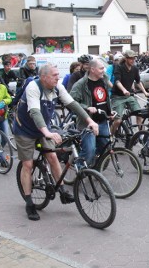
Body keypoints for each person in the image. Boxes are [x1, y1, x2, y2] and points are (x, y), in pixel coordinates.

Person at [13, 63, 99, 221]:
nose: (58, 77)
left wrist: (89, 121)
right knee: (28, 164)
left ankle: (62, 191)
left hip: (44, 127)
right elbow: (34, 112)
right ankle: (29, 202)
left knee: (52, 157)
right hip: (25, 129)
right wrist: (47, 133)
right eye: (54, 75)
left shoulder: (57, 86)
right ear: (44, 77)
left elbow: (73, 104)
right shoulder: (33, 87)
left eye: (58, 75)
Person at [69, 58, 112, 167]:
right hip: (88, 124)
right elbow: (72, 102)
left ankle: (97, 170)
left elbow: (105, 98)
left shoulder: (104, 79)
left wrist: (110, 111)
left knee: (105, 148)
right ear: (92, 69)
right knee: (89, 151)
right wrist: (87, 107)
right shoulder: (81, 84)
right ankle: (80, 171)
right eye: (101, 68)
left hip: (103, 121)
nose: (104, 70)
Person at [110, 49, 149, 134]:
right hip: (117, 97)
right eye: (130, 58)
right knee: (118, 121)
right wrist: (124, 90)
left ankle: (140, 135)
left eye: (134, 58)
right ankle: (110, 137)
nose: (133, 60)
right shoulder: (119, 67)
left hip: (128, 96)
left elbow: (138, 81)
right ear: (125, 58)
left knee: (140, 114)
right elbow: (117, 81)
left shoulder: (135, 69)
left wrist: (145, 93)